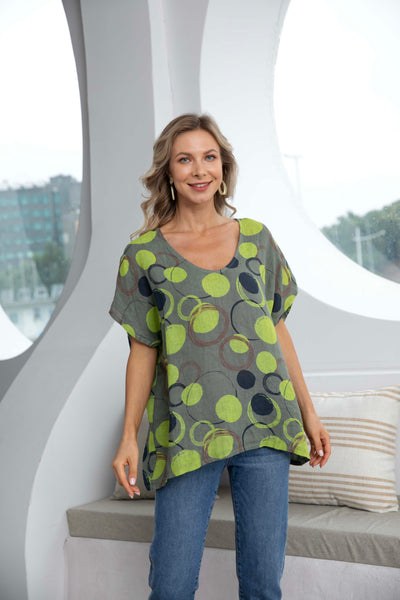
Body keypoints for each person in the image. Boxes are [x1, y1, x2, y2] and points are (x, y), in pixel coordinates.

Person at [109, 113, 331, 600]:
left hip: (266, 421)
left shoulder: (256, 238)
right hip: (187, 429)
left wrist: (308, 413)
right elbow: (143, 349)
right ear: (168, 172)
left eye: (209, 157)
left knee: (262, 585)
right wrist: (129, 436)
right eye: (184, 159)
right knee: (171, 585)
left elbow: (276, 330)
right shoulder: (143, 254)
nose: (199, 169)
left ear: (223, 167)